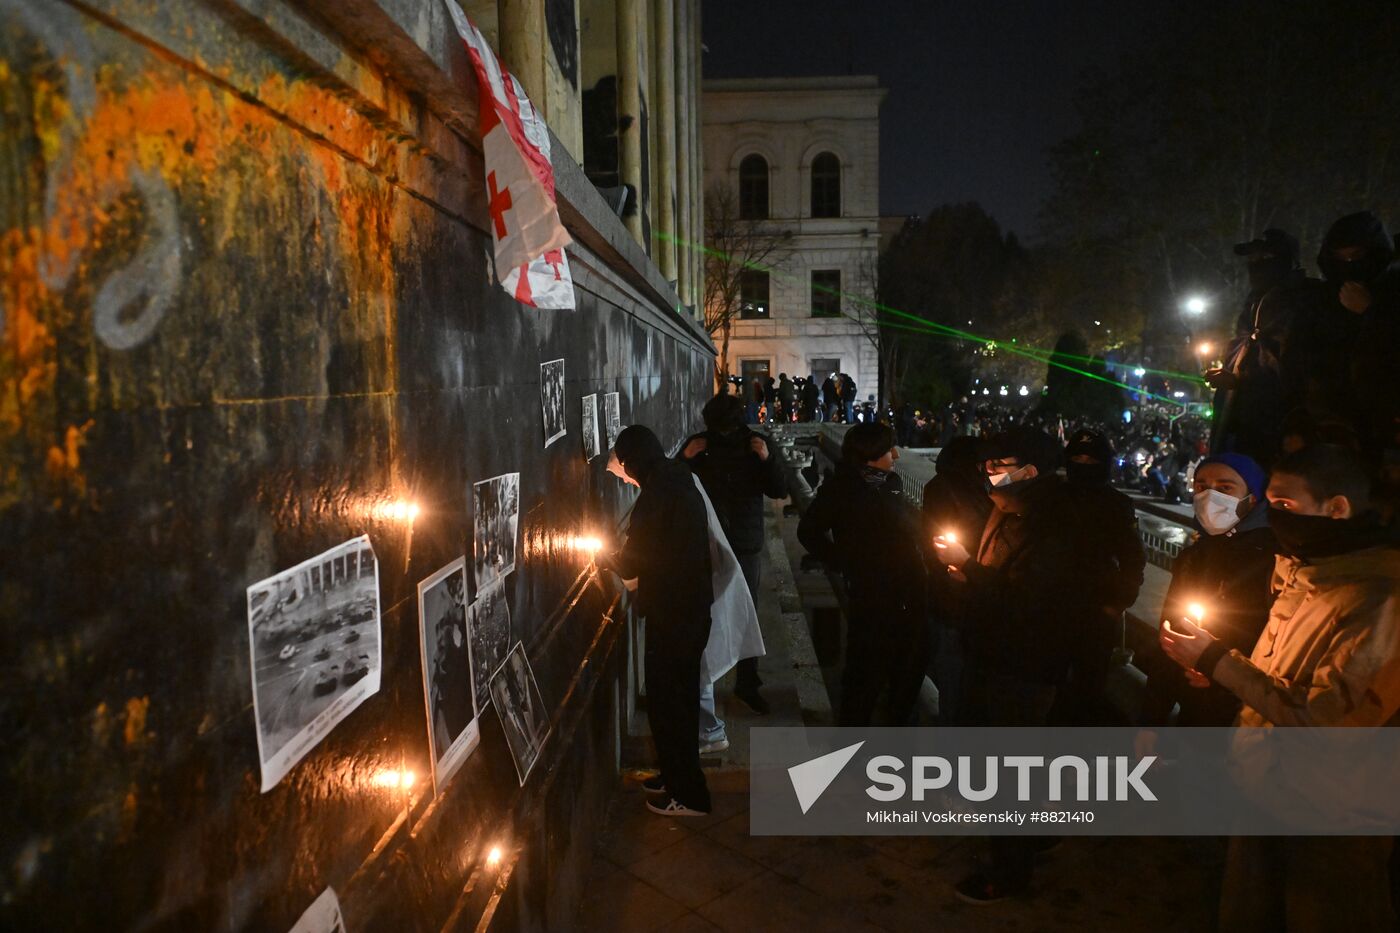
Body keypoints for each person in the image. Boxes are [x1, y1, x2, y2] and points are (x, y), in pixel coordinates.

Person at [1160, 444, 1400, 931]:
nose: (1275, 516)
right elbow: (1281, 675)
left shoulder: (1379, 599)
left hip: (1330, 813)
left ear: (1337, 508)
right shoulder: (1303, 572)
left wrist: (1218, 661)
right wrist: (1220, 670)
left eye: (1286, 504)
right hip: (1267, 784)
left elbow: (1326, 721)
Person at [934, 426, 1092, 903]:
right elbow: (995, 581)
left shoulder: (1057, 526)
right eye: (987, 466)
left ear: (1031, 471)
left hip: (1024, 663)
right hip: (991, 652)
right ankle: (1028, 838)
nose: (990, 474)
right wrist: (967, 573)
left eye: (1000, 467)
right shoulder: (1007, 510)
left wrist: (974, 571)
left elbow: (1033, 601)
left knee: (1011, 769)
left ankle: (1009, 871)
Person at [602, 426, 715, 817]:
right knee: (676, 701)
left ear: (634, 461)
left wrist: (606, 557)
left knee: (671, 705)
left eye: (625, 467)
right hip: (691, 609)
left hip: (675, 615)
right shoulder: (677, 478)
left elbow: (634, 561)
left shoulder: (656, 497)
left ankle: (689, 795)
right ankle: (673, 775)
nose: (625, 476)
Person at [1138, 453, 1276, 741]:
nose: (1210, 496)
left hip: (1249, 725)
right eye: (1201, 486)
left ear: (1252, 498)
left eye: (1225, 488)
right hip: (1195, 714)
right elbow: (1170, 636)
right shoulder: (1194, 556)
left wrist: (1221, 672)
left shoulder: (1276, 564)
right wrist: (1151, 722)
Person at [797, 423, 928, 727]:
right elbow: (809, 531)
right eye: (887, 450)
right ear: (870, 456)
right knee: (868, 677)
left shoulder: (887, 482)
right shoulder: (844, 488)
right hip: (877, 595)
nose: (895, 455)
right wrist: (842, 560)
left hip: (904, 594)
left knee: (895, 677)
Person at [680, 393, 787, 729]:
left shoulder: (756, 444)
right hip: (709, 539)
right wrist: (685, 458)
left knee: (744, 610)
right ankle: (705, 681)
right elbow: (676, 486)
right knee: (707, 610)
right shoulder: (699, 445)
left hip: (741, 541)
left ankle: (747, 682)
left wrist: (767, 459)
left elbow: (779, 489)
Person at [1206, 229, 1325, 463]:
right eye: (1252, 259)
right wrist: (1232, 378)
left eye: (1265, 258)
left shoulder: (1310, 300)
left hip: (1279, 430)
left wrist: (1241, 382)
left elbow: (1301, 369)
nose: (1256, 265)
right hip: (1239, 425)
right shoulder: (1254, 301)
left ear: (1287, 261)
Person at [1056, 428, 1146, 724]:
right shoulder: (1052, 497)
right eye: (1077, 458)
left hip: (1095, 614)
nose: (1083, 465)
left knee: (1086, 690)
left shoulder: (1116, 505)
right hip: (1051, 610)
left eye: (1090, 460)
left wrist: (1116, 605)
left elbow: (1133, 561)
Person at [920, 436, 992, 724]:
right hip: (959, 600)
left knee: (955, 684)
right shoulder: (966, 494)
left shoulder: (941, 487)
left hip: (949, 600)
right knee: (959, 684)